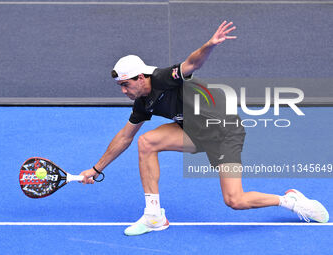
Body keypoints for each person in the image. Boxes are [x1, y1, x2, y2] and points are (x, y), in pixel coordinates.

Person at [80, 21, 329, 236]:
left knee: (235, 200)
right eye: (120, 86)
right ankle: (154, 216)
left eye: (126, 85)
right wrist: (95, 169)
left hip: (224, 134)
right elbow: (125, 137)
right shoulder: (142, 103)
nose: (124, 91)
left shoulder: (163, 78)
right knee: (145, 142)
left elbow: (191, 64)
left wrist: (210, 45)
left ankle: (290, 201)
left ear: (141, 78)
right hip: (192, 132)